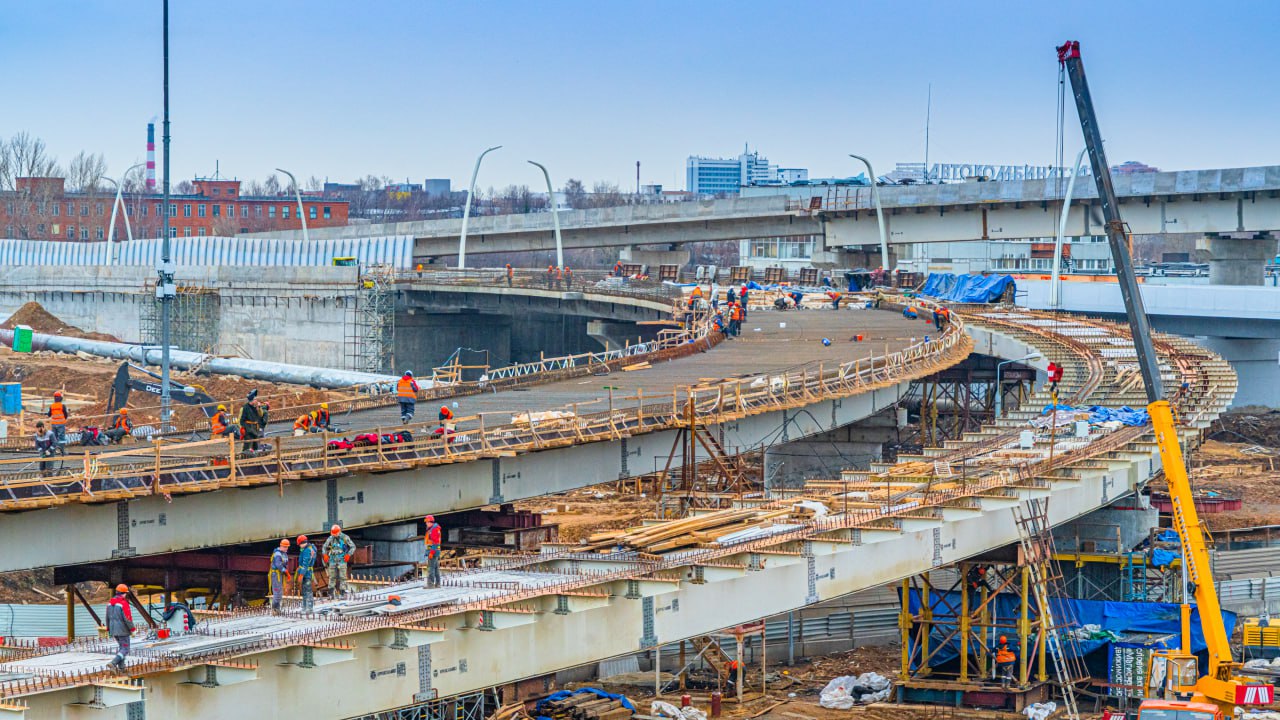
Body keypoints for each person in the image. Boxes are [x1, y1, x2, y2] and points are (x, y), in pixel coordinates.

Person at [106, 584, 135, 672]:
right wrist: (132, 629)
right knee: (125, 649)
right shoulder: (123, 603)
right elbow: (127, 618)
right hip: (123, 631)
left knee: (122, 647)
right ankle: (113, 663)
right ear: (124, 593)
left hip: (114, 630)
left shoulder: (109, 603)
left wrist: (108, 629)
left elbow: (107, 617)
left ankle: (122, 668)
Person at [323, 524, 356, 599]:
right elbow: (324, 547)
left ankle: (342, 593)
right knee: (332, 577)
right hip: (332, 559)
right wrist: (325, 554)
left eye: (335, 533)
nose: (334, 535)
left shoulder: (345, 537)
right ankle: (331, 594)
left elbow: (353, 547)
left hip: (342, 559)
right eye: (333, 534)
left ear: (339, 532)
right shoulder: (331, 538)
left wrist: (348, 554)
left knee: (342, 577)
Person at [296, 534, 317, 612]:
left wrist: (301, 574)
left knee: (307, 590)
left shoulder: (307, 550)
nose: (299, 546)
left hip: (306, 573)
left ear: (302, 543)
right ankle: (305, 607)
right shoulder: (308, 548)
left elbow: (306, 563)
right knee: (304, 590)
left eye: (299, 545)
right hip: (306, 571)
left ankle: (309, 608)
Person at [269, 538, 291, 613]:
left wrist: (285, 571)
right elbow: (279, 565)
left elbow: (285, 563)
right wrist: (286, 572)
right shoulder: (277, 554)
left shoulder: (284, 553)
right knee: (277, 593)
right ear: (281, 546)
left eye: (287, 547)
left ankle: (277, 609)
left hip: (280, 574)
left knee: (280, 593)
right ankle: (274, 609)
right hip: (276, 575)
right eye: (285, 547)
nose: (286, 548)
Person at [423, 515, 443, 587]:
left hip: (433, 551)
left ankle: (430, 584)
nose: (426, 523)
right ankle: (438, 584)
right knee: (436, 568)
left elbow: (435, 542)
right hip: (434, 551)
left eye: (427, 522)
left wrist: (431, 552)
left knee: (430, 568)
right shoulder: (433, 529)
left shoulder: (434, 530)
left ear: (430, 522)